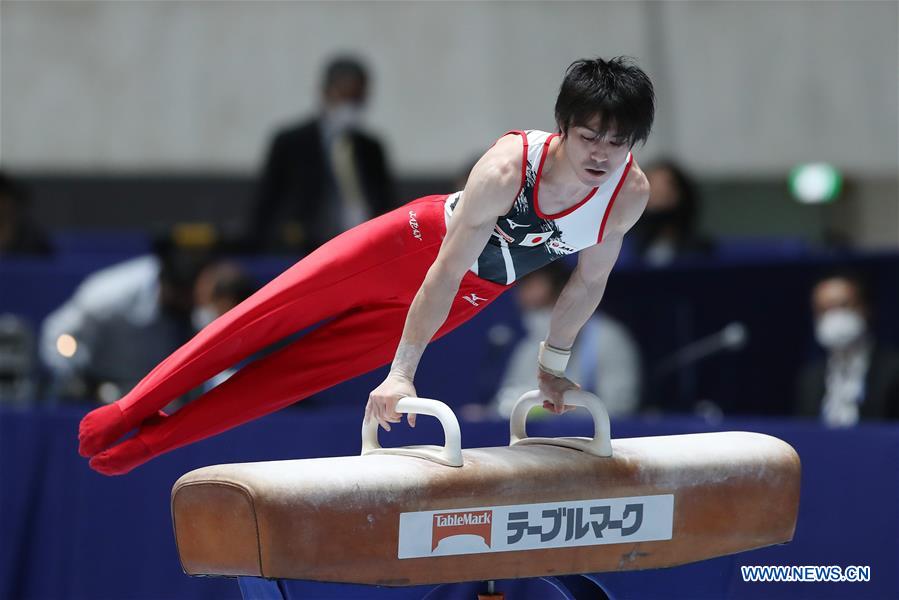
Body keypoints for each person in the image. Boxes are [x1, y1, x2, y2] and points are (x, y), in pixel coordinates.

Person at [79, 56, 655, 475]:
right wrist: (403, 372)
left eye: (617, 141)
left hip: (469, 295)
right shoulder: (510, 167)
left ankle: (149, 445)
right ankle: (129, 409)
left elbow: (589, 280)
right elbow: (444, 268)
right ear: (562, 128)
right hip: (404, 250)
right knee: (258, 320)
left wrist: (552, 364)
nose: (601, 154)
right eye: (588, 137)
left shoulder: (627, 192)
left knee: (297, 374)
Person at [249, 55, 395, 254]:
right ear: (326, 92)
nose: (350, 106)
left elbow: (387, 204)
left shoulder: (371, 148)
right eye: (345, 96)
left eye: (357, 98)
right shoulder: (292, 142)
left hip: (365, 246)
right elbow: (266, 204)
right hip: (306, 249)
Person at [40, 240, 210, 405]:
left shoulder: (202, 300)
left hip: (164, 397)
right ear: (166, 286)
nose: (186, 304)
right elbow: (58, 334)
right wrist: (74, 379)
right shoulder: (106, 298)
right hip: (101, 393)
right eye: (181, 298)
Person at [491, 261, 642, 418]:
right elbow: (507, 400)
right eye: (534, 309)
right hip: (535, 439)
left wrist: (559, 413)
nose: (538, 318)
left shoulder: (608, 338)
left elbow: (619, 407)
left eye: (546, 306)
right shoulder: (529, 345)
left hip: (587, 437)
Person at [796, 273, 899, 425]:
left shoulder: (893, 369)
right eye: (823, 309)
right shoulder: (810, 378)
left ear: (865, 308)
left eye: (843, 305)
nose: (834, 316)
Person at [628, 160, 714, 266]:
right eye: (652, 187)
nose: (658, 195)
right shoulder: (625, 252)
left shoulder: (702, 253)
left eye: (666, 189)